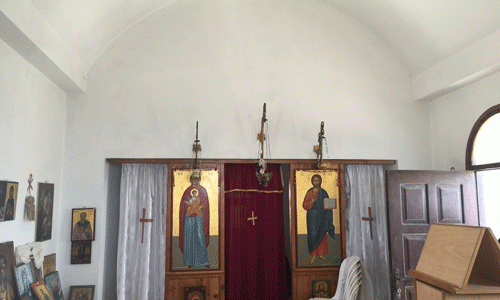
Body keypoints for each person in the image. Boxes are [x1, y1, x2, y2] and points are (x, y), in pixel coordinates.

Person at [179, 171, 210, 268]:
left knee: (200, 236)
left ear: (199, 179)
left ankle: (203, 261)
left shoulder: (203, 190)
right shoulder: (187, 191)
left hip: (199, 217)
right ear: (191, 179)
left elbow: (205, 203)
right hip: (189, 218)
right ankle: (189, 262)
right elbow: (183, 201)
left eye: (197, 178)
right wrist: (187, 203)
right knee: (189, 237)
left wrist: (201, 207)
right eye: (193, 178)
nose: (195, 180)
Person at [302, 174, 335, 264]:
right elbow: (304, 205)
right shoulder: (309, 192)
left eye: (317, 180)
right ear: (312, 182)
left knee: (322, 234)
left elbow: (327, 204)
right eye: (314, 181)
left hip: (322, 216)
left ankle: (320, 254)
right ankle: (313, 255)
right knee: (313, 234)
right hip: (312, 217)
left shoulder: (323, 192)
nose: (315, 182)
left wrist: (328, 207)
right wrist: (311, 202)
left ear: (320, 181)